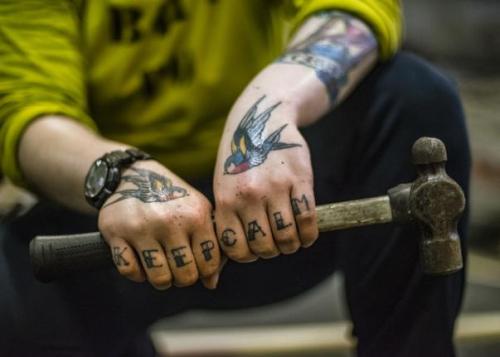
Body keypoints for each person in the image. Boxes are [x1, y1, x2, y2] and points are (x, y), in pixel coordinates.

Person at [0, 1, 470, 356]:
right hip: (117, 238)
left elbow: (354, 12)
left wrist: (267, 108)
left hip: (281, 206)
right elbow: (28, 111)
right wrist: (123, 177)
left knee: (411, 99)